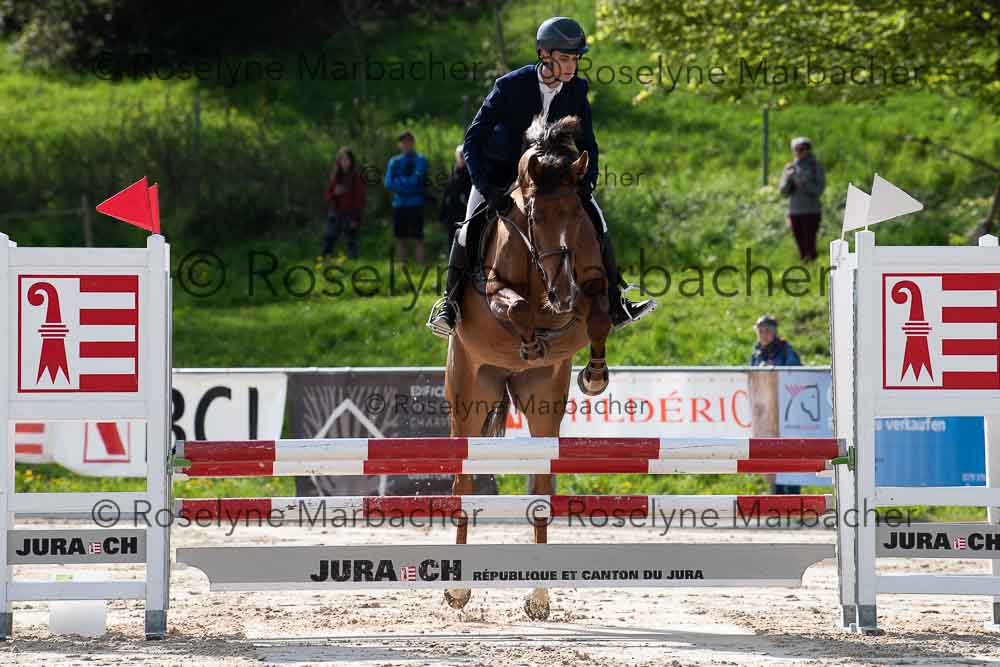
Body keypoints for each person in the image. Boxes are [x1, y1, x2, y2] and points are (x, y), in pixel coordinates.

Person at [427, 16, 656, 338]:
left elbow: (588, 144)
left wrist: (587, 180)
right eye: (565, 58)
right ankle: (449, 305)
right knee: (467, 229)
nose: (572, 66)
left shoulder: (577, 89)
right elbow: (473, 139)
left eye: (575, 59)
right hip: (500, 175)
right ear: (544, 55)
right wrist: (486, 187)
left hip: (553, 181)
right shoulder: (509, 86)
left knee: (598, 220)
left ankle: (617, 300)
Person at [384, 131, 428, 264]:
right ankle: (402, 266)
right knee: (400, 237)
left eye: (408, 141)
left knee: (418, 237)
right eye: (403, 142)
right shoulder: (394, 162)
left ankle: (421, 266)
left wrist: (401, 183)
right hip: (399, 204)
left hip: (416, 204)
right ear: (400, 145)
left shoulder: (420, 160)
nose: (406, 144)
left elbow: (418, 180)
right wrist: (408, 184)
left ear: (413, 143)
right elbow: (388, 183)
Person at [779, 137, 826, 262]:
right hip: (794, 211)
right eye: (795, 149)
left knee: (810, 243)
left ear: (808, 150)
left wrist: (802, 182)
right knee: (800, 243)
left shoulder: (815, 167)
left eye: (801, 149)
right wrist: (788, 179)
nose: (798, 152)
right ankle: (805, 265)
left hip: (811, 211)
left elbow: (818, 190)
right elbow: (783, 191)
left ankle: (813, 265)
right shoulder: (789, 167)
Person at [322, 147, 366, 261]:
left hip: (351, 213)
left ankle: (353, 263)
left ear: (351, 161)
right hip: (335, 211)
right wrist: (334, 193)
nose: (344, 162)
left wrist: (356, 217)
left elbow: (360, 198)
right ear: (338, 161)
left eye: (347, 159)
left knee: (351, 240)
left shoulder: (356, 176)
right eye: (342, 159)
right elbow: (327, 195)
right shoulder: (335, 175)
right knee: (329, 237)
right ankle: (326, 261)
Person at [439, 144, 472, 248]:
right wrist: (443, 214)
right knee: (452, 242)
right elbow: (446, 195)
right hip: (452, 216)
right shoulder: (452, 173)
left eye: (464, 155)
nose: (462, 158)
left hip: (465, 215)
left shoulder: (472, 174)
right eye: (460, 155)